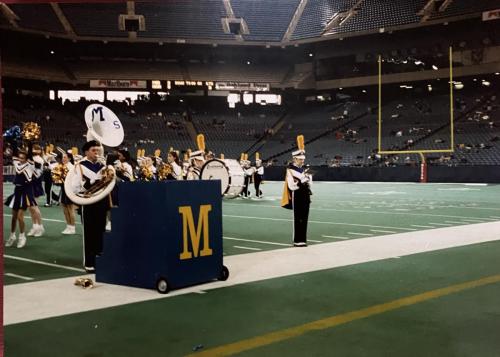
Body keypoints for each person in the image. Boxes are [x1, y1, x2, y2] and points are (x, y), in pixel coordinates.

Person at [68, 140, 110, 273]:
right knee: (89, 232)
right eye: (93, 150)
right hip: (88, 202)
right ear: (86, 152)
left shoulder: (102, 165)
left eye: (97, 150)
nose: (96, 153)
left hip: (101, 200)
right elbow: (74, 188)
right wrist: (90, 182)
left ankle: (100, 259)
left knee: (100, 231)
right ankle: (89, 263)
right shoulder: (79, 166)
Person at [281, 135, 312, 247]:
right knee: (297, 218)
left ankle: (303, 239)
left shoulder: (304, 169)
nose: (302, 161)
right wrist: (301, 181)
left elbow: (310, 184)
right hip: (297, 195)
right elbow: (291, 186)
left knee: (305, 218)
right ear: (295, 159)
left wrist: (308, 179)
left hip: (306, 195)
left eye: (303, 159)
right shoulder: (290, 170)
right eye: (300, 159)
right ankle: (297, 240)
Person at [4, 146, 36, 248]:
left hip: (25, 193)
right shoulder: (17, 163)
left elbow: (30, 155)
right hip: (16, 192)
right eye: (20, 157)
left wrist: (30, 142)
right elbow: (14, 154)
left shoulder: (30, 166)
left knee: (19, 216)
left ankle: (22, 237)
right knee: (13, 217)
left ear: (26, 159)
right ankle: (12, 236)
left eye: (23, 158)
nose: (21, 159)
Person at [55, 152, 76, 235]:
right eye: (63, 157)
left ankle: (73, 227)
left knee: (70, 208)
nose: (63, 159)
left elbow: (73, 179)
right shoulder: (61, 166)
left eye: (65, 157)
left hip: (69, 189)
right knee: (64, 208)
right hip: (63, 189)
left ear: (70, 158)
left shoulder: (72, 167)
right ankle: (68, 226)